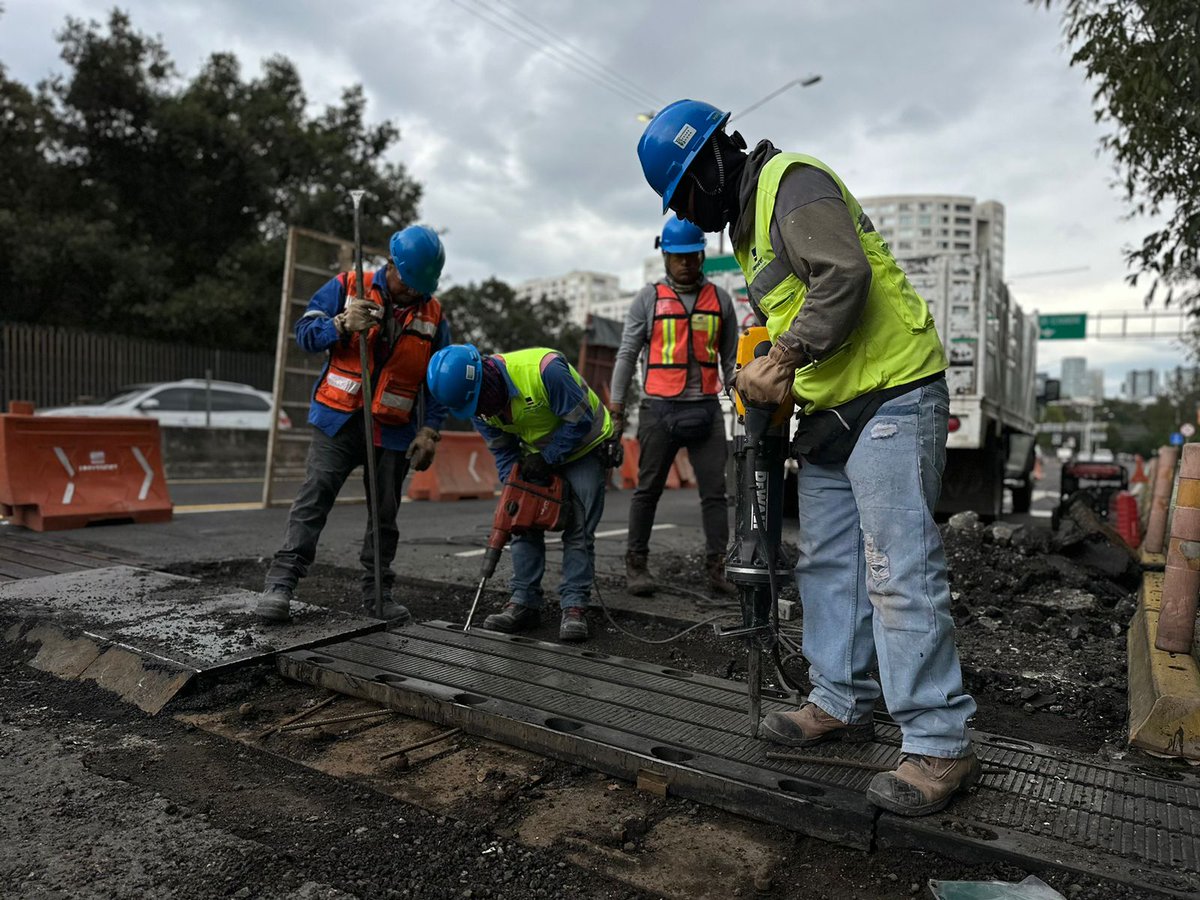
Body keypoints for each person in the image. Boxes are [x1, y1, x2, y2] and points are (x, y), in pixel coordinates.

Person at [637, 100, 979, 817]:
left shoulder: (790, 183)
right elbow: (781, 318)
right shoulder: (745, 230)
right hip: (828, 408)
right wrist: (764, 368)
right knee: (828, 562)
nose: (688, 217)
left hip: (891, 390)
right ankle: (839, 700)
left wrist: (785, 354)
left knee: (896, 567)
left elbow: (843, 275)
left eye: (683, 197)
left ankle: (939, 744)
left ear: (707, 163)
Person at [257, 225, 450, 624]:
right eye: (409, 283)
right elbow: (305, 334)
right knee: (313, 501)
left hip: (393, 429)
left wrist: (429, 430)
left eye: (421, 287)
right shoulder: (347, 285)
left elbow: (439, 379)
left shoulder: (434, 313)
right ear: (391, 265)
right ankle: (280, 585)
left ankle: (379, 595)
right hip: (338, 420)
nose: (415, 292)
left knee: (384, 517)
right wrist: (341, 325)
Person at [426, 344, 614, 642]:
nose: (482, 412)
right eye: (474, 409)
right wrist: (516, 487)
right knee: (521, 522)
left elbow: (580, 419)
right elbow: (502, 451)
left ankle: (575, 605)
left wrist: (548, 458)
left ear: (486, 376)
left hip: (584, 447)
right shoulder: (477, 407)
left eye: (480, 402)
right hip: (535, 456)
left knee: (578, 531)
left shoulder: (545, 370)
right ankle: (524, 601)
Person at [611, 215, 739, 598]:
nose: (685, 263)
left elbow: (731, 361)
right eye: (677, 256)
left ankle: (718, 568)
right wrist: (616, 410)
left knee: (716, 494)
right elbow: (626, 354)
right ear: (665, 256)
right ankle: (636, 565)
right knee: (647, 490)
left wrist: (745, 402)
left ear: (702, 254)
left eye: (692, 256)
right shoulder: (647, 299)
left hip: (705, 411)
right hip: (658, 411)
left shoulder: (721, 300)